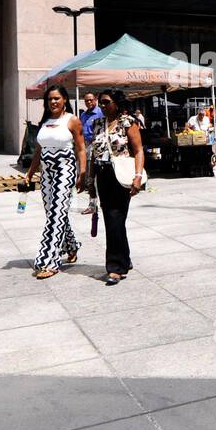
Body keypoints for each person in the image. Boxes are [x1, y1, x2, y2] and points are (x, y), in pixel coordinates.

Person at [25, 84, 86, 280]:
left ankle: (49, 261)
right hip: (46, 172)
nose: (53, 102)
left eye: (56, 98)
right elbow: (38, 151)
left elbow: (81, 148)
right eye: (50, 99)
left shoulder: (72, 120)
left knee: (56, 213)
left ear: (65, 100)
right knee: (54, 213)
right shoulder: (45, 121)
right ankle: (72, 246)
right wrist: (30, 173)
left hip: (65, 169)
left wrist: (82, 173)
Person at [90, 89, 145, 285]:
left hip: (121, 176)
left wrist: (138, 177)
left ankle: (115, 267)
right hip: (102, 174)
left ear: (116, 103)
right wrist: (90, 181)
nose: (102, 106)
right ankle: (125, 259)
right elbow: (93, 154)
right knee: (112, 219)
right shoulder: (96, 124)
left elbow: (138, 151)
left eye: (106, 102)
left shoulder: (128, 122)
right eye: (100, 103)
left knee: (115, 218)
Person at [78, 92, 102, 215]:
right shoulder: (83, 115)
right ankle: (92, 204)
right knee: (88, 177)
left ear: (95, 100)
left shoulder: (100, 113)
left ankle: (96, 204)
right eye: (86, 100)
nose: (89, 102)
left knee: (94, 177)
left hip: (97, 146)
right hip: (86, 146)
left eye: (91, 100)